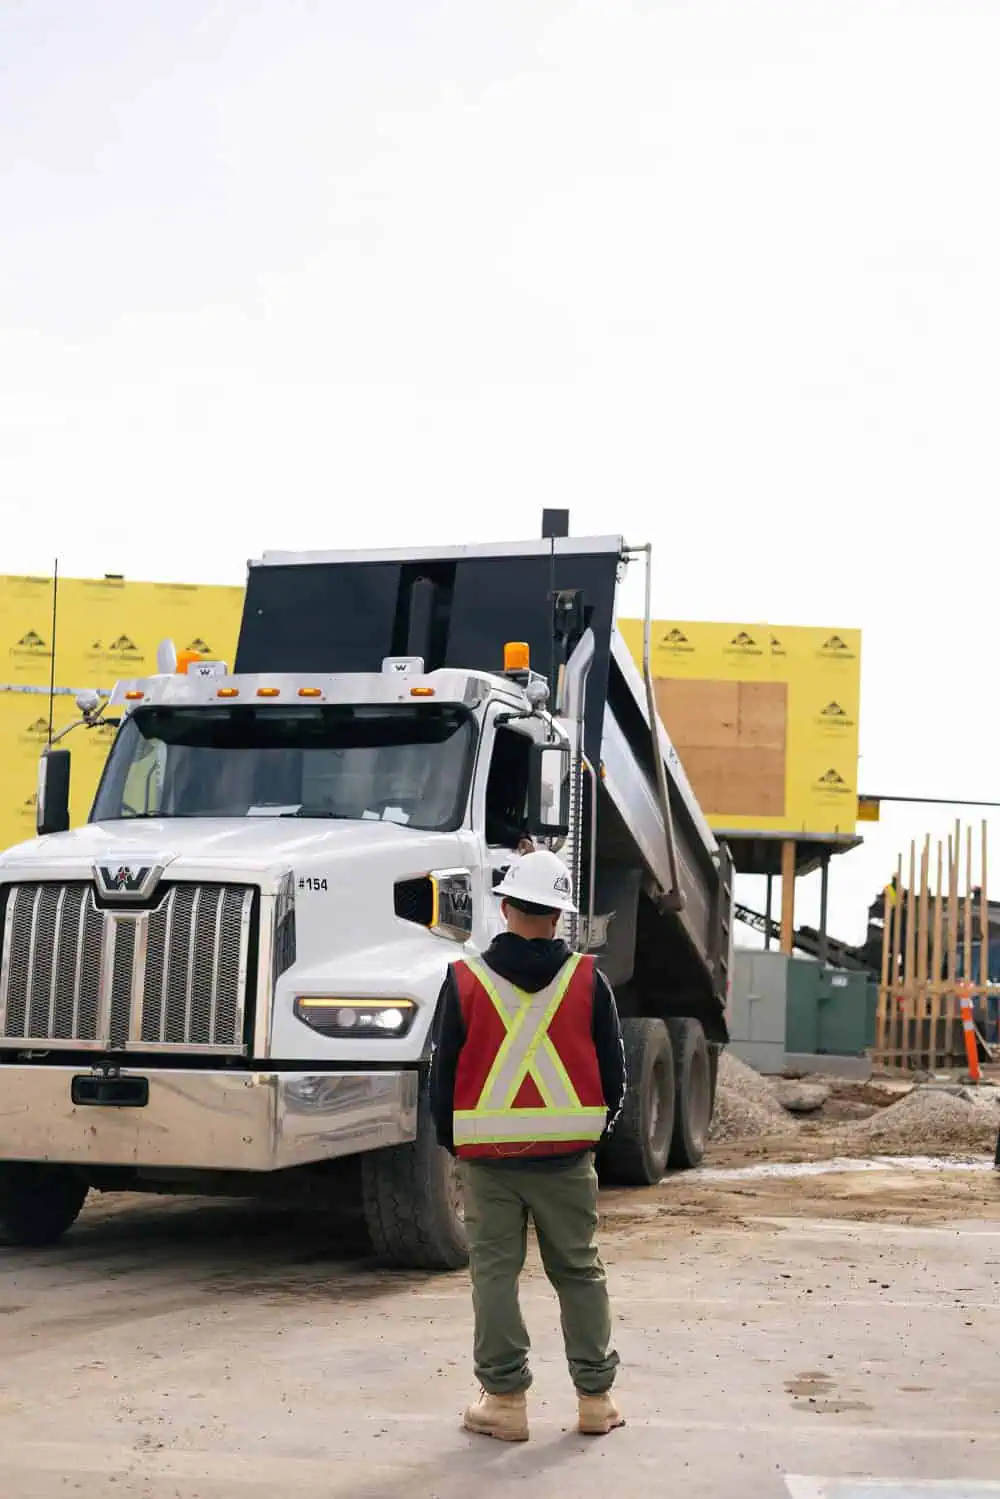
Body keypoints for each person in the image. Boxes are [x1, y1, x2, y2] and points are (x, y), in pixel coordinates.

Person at [429, 849, 627, 1443]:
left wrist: (458, 1145)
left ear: (506, 904)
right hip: (567, 1161)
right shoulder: (589, 980)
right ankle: (595, 1400)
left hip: (488, 1164)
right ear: (561, 916)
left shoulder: (464, 979)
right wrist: (590, 1137)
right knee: (580, 1272)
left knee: (494, 1274)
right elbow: (615, 1075)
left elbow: (442, 1078)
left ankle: (506, 1401)